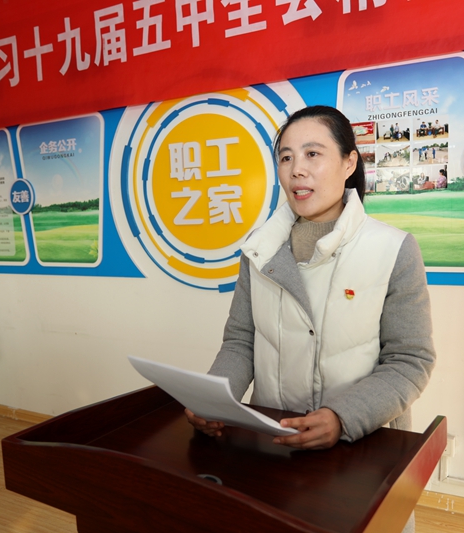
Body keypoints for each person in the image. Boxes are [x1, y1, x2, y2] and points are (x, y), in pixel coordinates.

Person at [187, 106, 436, 458]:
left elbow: (410, 360)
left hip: (363, 447)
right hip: (271, 437)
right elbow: (241, 342)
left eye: (313, 154)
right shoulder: (258, 248)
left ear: (349, 163)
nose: (297, 170)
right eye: (286, 158)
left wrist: (342, 417)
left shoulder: (393, 248)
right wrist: (213, 399)